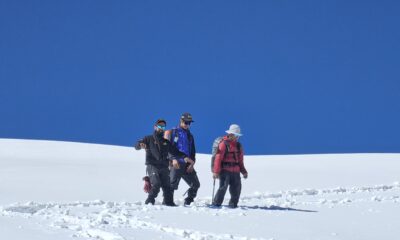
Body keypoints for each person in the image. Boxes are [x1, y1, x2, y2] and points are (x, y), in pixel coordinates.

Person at [135, 118, 192, 206]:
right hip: (152, 165)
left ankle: (169, 204)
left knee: (167, 186)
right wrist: (140, 145)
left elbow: (175, 151)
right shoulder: (148, 138)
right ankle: (149, 203)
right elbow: (137, 144)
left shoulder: (166, 142)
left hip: (164, 167)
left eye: (163, 126)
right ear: (155, 127)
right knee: (156, 184)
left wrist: (184, 157)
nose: (161, 128)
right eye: (159, 126)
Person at [164, 113, 200, 205]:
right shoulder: (172, 132)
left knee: (195, 184)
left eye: (189, 123)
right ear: (181, 121)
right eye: (186, 122)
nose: (187, 124)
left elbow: (192, 152)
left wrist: (192, 164)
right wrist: (172, 159)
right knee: (172, 184)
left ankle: (188, 201)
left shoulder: (190, 136)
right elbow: (167, 148)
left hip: (187, 164)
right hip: (176, 163)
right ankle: (167, 203)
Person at [212, 124, 248, 208]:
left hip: (236, 172)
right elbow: (218, 158)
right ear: (230, 134)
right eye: (236, 135)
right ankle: (216, 203)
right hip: (225, 171)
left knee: (237, 188)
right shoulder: (223, 144)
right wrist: (216, 171)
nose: (237, 137)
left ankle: (233, 204)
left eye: (238, 136)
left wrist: (244, 171)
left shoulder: (239, 146)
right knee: (223, 187)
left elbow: (240, 161)